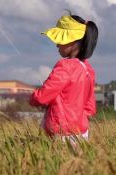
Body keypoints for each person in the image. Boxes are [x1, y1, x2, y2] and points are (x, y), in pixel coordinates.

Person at [30, 12, 98, 147]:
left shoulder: (65, 66)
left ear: (72, 40)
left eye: (60, 40)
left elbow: (42, 97)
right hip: (82, 132)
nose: (57, 45)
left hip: (61, 132)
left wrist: (32, 97)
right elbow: (90, 108)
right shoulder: (88, 69)